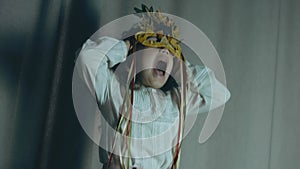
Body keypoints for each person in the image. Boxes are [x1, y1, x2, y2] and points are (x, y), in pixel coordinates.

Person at [75, 5, 230, 169]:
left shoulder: (176, 102)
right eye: (155, 45)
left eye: (171, 51)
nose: (164, 50)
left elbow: (220, 94)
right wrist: (126, 47)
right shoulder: (114, 92)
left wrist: (184, 69)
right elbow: (86, 58)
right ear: (132, 60)